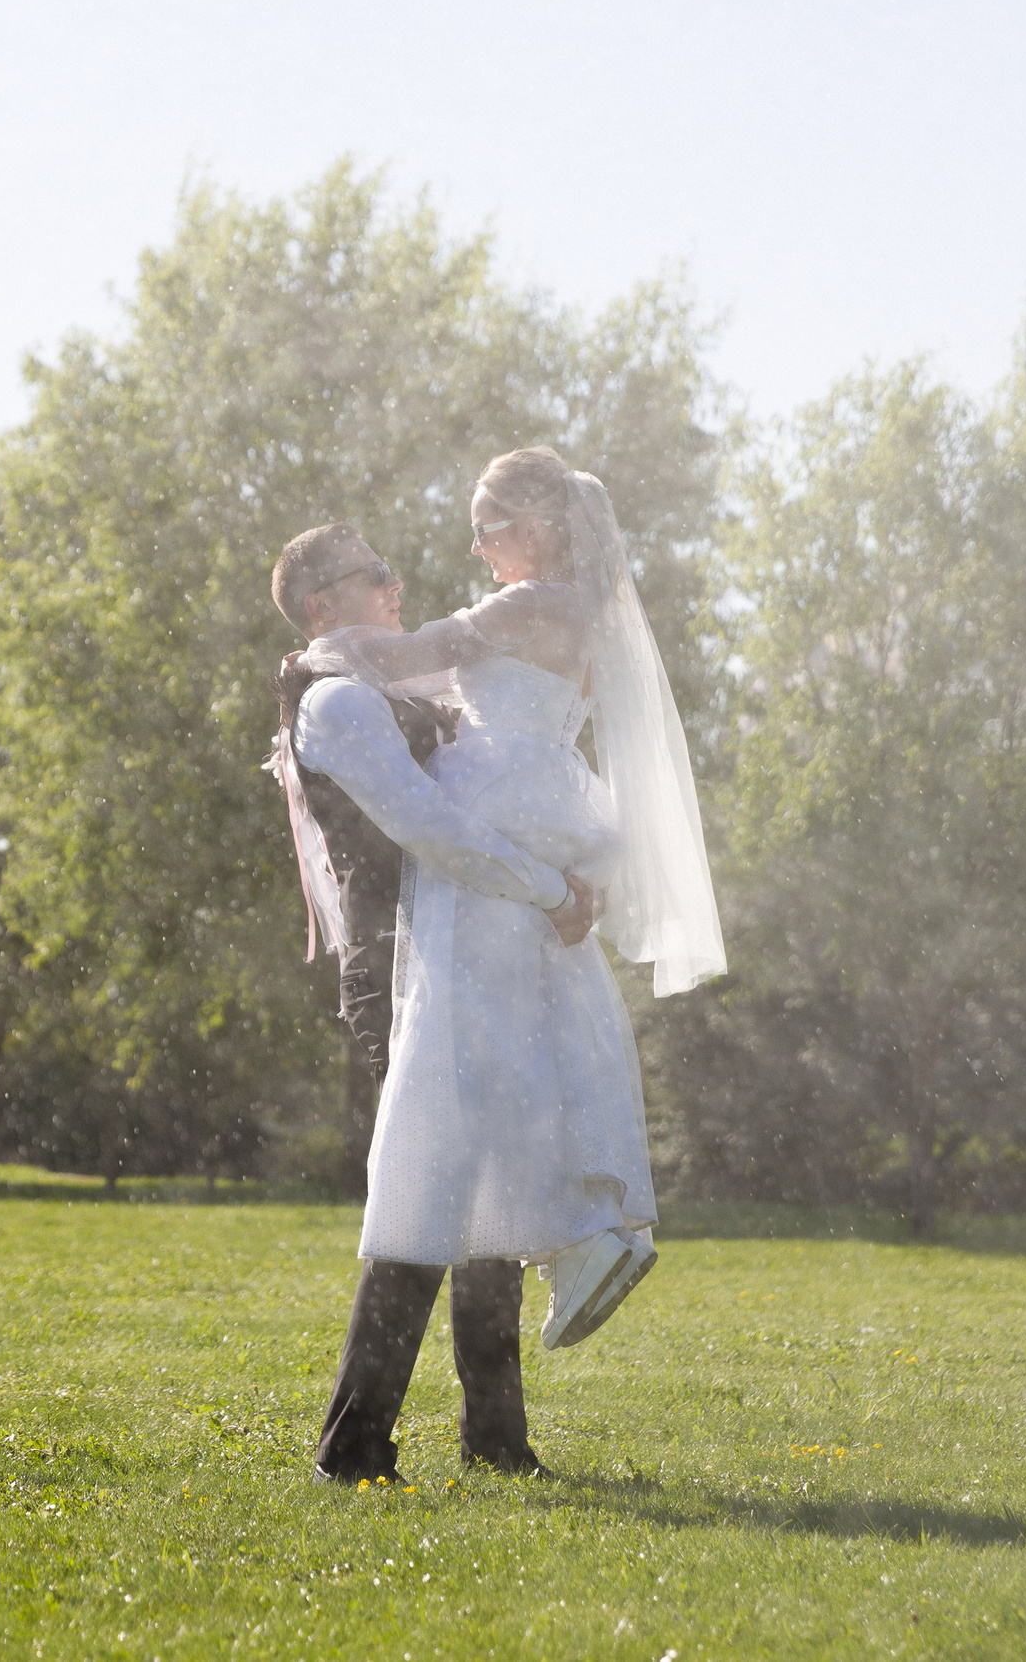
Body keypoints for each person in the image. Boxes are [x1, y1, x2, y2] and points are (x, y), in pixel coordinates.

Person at [301, 446, 726, 1356]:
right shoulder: (586, 613)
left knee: (476, 1067)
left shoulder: (526, 604)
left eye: (486, 535)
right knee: (545, 1045)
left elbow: (415, 657)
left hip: (498, 807)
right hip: (556, 803)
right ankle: (586, 1235)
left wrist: (320, 653)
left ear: (532, 532)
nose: (480, 554)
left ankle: (579, 1243)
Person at [268, 520, 601, 1485]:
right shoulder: (334, 704)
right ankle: (353, 1443)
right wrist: (547, 889)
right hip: (399, 969)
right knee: (431, 1181)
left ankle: (494, 1440)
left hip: (461, 955)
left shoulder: (400, 691)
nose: (396, 582)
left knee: (487, 1189)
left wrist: (578, 864)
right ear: (325, 603)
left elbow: (504, 783)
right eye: (375, 575)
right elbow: (432, 828)